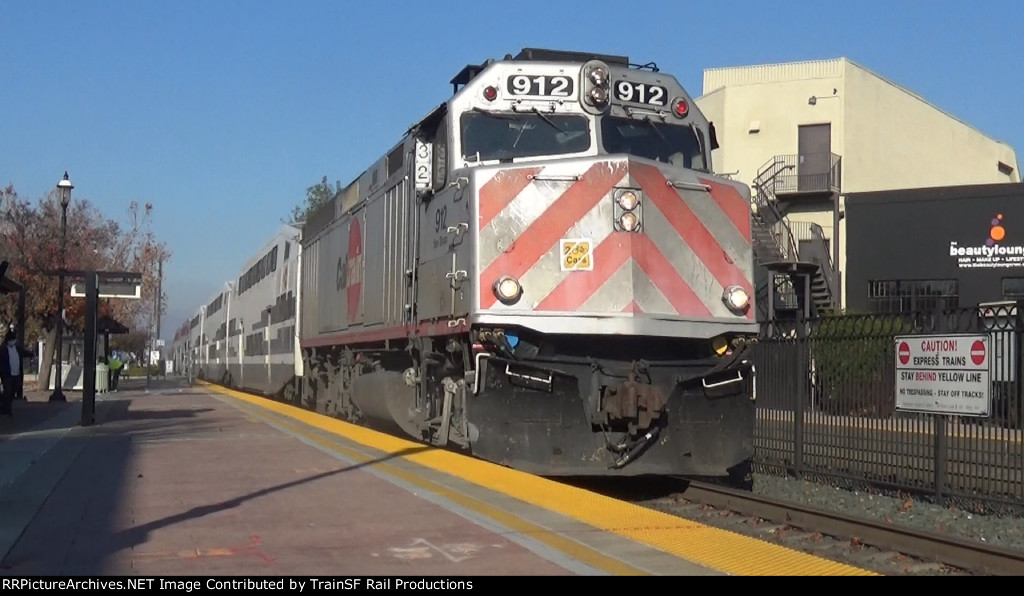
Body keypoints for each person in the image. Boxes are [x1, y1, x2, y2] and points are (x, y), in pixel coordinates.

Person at [0, 329, 30, 417]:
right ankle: (7, 409)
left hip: (16, 374)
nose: (13, 342)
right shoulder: (3, 349)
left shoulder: (17, 349)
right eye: (12, 340)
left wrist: (31, 353)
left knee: (14, 391)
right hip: (7, 374)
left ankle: (6, 407)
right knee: (7, 392)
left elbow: (23, 353)